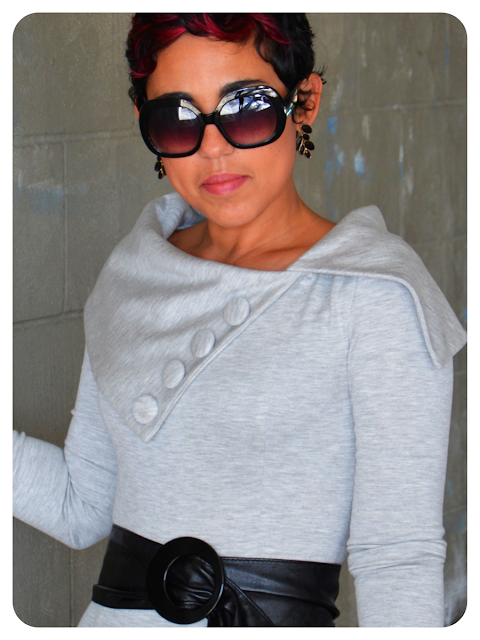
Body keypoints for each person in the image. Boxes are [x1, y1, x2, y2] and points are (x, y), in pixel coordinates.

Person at [13, 13, 466, 627]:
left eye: (246, 108)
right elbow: (80, 505)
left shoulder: (376, 294)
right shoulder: (132, 270)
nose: (213, 148)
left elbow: (398, 558)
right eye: (176, 118)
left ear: (304, 102)